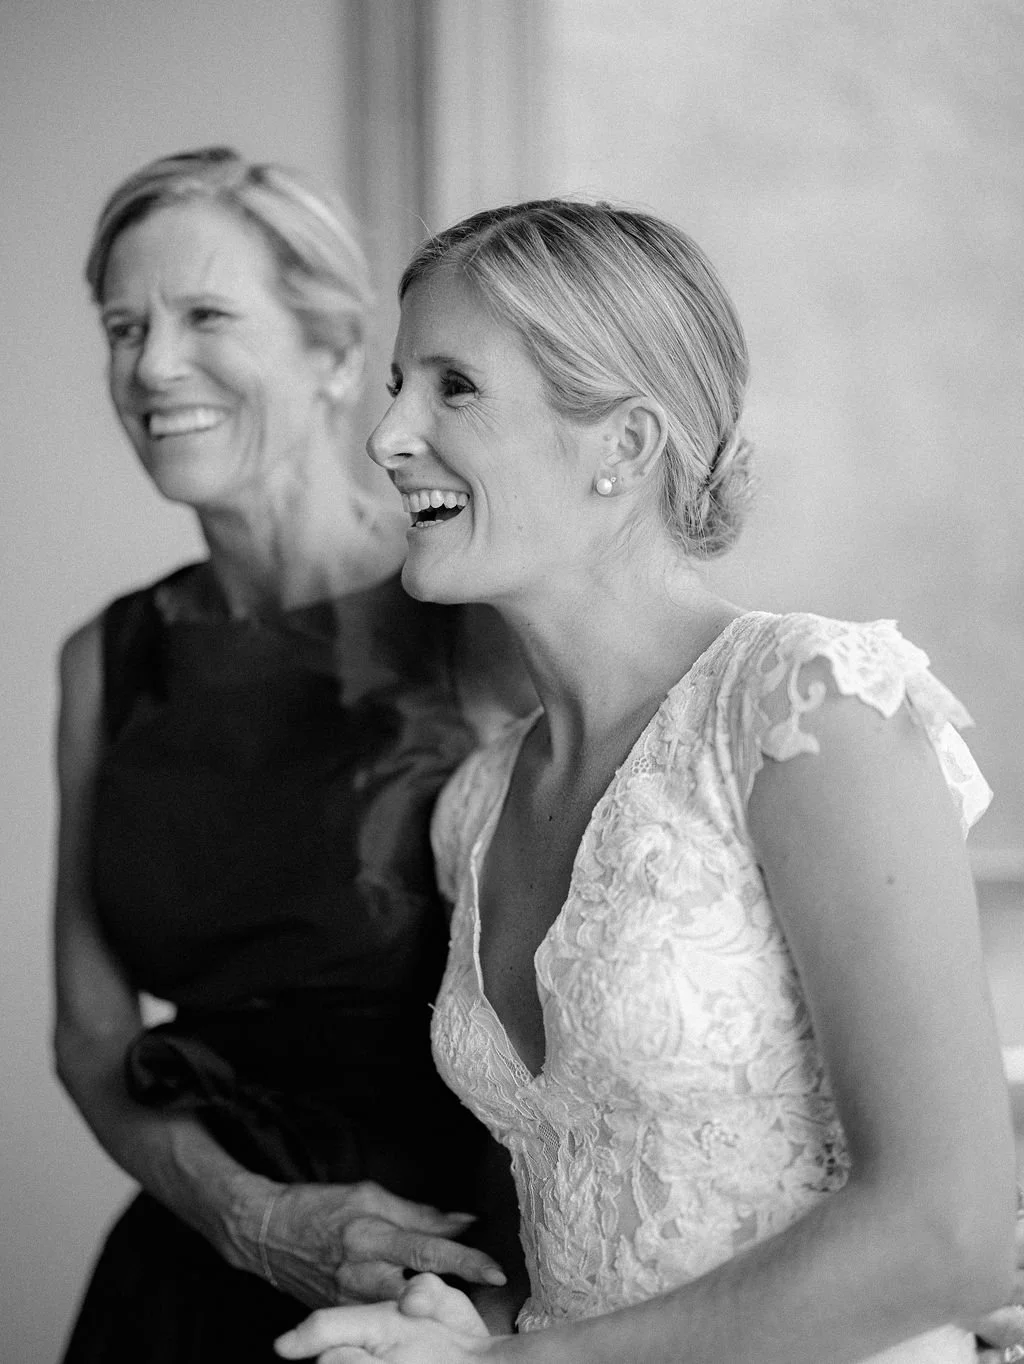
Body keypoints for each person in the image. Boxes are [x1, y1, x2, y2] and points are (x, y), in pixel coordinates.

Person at [273, 199, 1016, 1364]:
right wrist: (472, 1328)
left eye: (453, 387)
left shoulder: (807, 708)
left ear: (622, 445)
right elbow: (596, 1240)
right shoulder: (474, 805)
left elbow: (948, 1235)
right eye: (396, 386)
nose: (388, 436)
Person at [54, 148, 532, 1364]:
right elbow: (91, 1034)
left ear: (332, 354)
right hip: (190, 1262)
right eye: (124, 326)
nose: (152, 365)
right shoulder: (107, 656)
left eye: (206, 315)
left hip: (452, 1279)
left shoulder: (474, 609)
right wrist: (246, 1214)